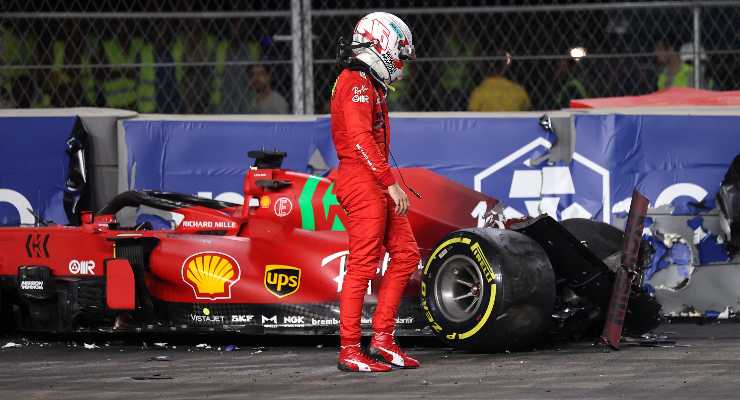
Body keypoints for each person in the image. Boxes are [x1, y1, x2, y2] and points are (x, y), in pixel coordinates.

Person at [330, 11, 421, 373]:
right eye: (399, 52)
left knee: (406, 254)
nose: (401, 61)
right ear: (381, 46)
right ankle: (350, 348)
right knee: (363, 263)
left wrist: (384, 181)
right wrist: (390, 183)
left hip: (370, 177)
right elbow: (360, 140)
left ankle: (382, 339)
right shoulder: (355, 83)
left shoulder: (367, 83)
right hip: (361, 179)